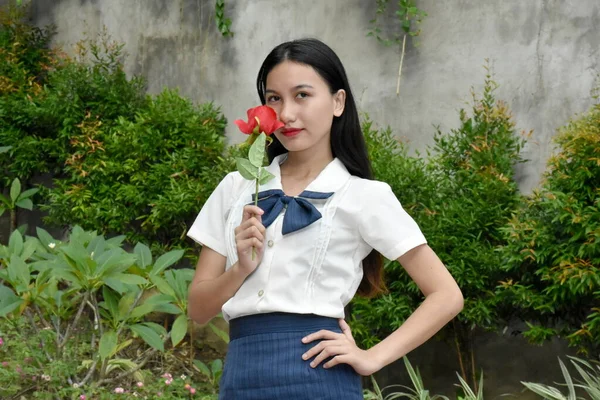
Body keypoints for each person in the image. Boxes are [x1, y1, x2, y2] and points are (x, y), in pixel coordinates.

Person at [187, 38, 464, 399]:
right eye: (274, 98)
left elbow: (446, 295)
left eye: (302, 95)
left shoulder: (365, 196)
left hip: (319, 376)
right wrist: (240, 268)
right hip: (241, 376)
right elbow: (197, 309)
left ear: (338, 101)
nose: (286, 113)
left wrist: (372, 357)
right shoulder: (236, 188)